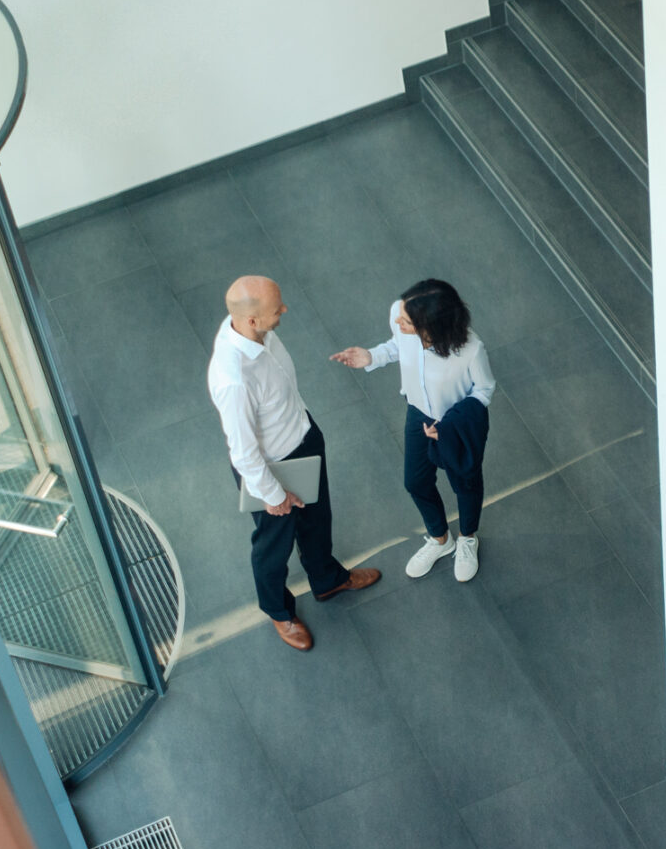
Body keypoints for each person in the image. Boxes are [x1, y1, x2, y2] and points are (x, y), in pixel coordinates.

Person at [207, 275, 379, 650]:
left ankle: (328, 579)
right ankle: (279, 612)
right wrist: (273, 493)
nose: (284, 310)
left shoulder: (258, 333)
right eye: (276, 309)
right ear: (251, 320)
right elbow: (243, 450)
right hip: (271, 469)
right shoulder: (233, 378)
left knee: (318, 521)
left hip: (302, 436)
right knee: (273, 548)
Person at [331, 278, 494, 582]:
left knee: (466, 483)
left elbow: (484, 390)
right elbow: (398, 344)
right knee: (415, 481)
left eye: (406, 321)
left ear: (432, 326)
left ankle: (467, 538)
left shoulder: (471, 350)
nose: (397, 320)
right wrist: (372, 356)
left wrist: (448, 427)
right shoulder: (401, 312)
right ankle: (440, 540)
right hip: (418, 414)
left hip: (454, 425)